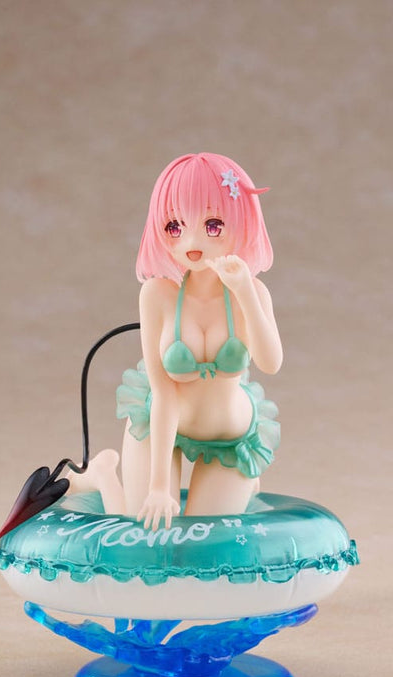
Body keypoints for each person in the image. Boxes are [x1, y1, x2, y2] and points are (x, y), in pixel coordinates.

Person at [69, 153, 282, 532]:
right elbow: (164, 392)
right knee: (146, 534)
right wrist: (158, 487)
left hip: (230, 440)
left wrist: (245, 290)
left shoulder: (251, 292)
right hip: (162, 427)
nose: (191, 242)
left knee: (199, 545)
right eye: (174, 226)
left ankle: (241, 484)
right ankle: (103, 475)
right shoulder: (158, 294)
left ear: (242, 221)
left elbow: (270, 362)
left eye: (213, 225)